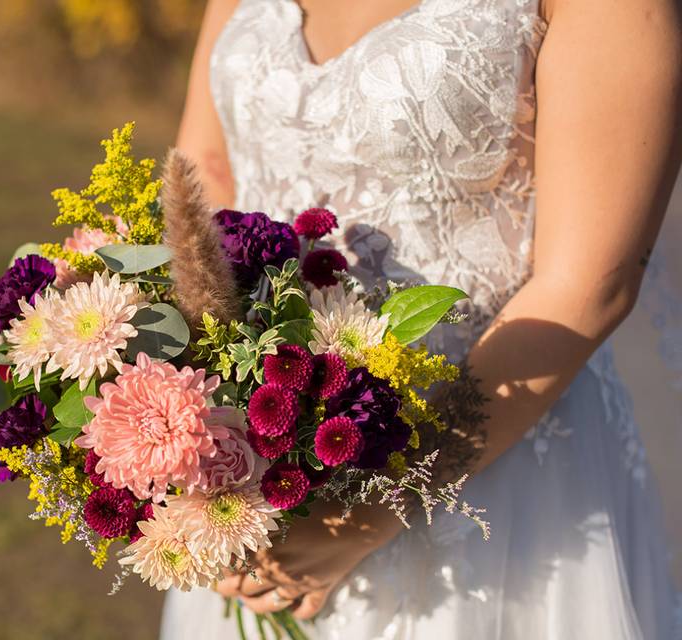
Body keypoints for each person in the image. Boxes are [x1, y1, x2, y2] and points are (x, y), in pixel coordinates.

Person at [161, 0, 682, 637]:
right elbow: (206, 174)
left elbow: (589, 284)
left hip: (488, 481)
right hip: (260, 474)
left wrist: (370, 515)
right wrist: (185, 425)